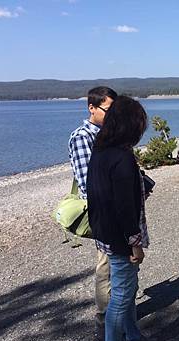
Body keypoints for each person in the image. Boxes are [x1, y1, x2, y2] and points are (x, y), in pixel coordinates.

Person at [87, 96, 155, 341]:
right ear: (131, 126)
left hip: (105, 232)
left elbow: (100, 196)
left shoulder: (102, 150)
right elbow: (126, 208)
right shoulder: (122, 158)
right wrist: (134, 244)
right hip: (120, 239)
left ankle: (134, 337)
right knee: (122, 296)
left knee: (126, 290)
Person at [68, 86, 117, 328]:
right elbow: (89, 182)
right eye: (108, 110)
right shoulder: (82, 137)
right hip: (104, 210)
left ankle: (119, 312)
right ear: (92, 108)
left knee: (122, 263)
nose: (112, 115)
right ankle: (105, 314)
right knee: (107, 263)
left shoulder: (108, 134)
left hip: (118, 208)